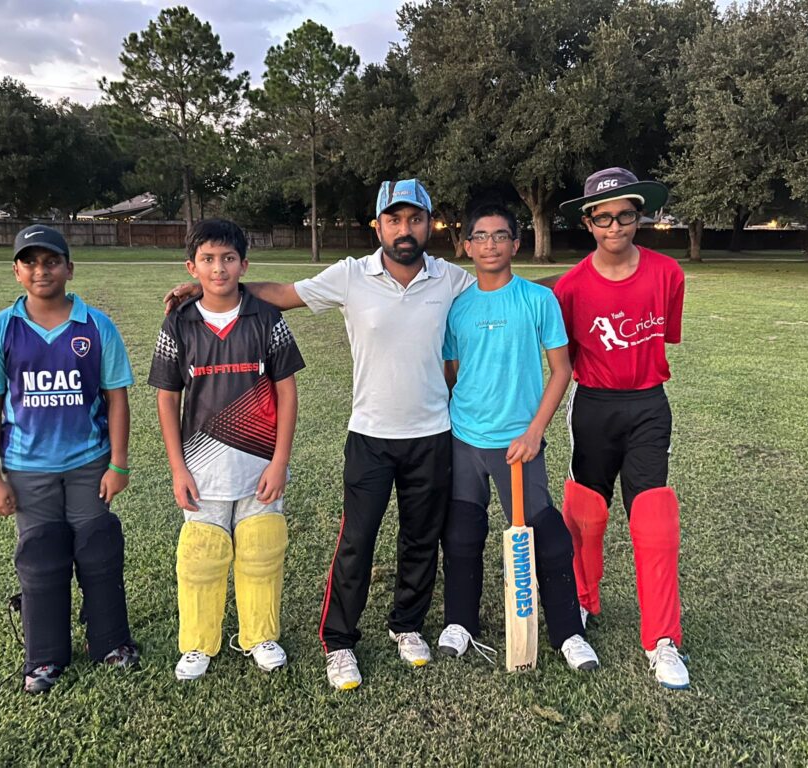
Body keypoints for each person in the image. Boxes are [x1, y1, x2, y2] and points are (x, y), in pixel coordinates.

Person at [164, 179, 475, 690]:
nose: (404, 229)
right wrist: (211, 287)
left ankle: (407, 625)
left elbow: (501, 291)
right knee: (357, 541)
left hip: (432, 433)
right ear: (378, 226)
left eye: (415, 219)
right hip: (370, 433)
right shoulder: (352, 275)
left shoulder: (450, 277)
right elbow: (284, 295)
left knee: (421, 538)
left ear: (429, 224)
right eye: (394, 220)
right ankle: (339, 640)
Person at [0, 224, 138, 694]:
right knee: (41, 556)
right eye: (30, 263)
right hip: (27, 468)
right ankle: (44, 657)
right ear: (16, 272)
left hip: (89, 462)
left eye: (51, 261)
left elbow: (117, 399)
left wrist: (118, 463)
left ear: (69, 268)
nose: (41, 271)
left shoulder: (96, 326)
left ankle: (110, 642)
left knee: (98, 549)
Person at [438, 203, 599, 672]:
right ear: (467, 246)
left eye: (500, 236)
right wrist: (464, 417)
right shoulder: (458, 307)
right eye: (481, 236)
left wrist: (534, 432)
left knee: (547, 536)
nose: (490, 244)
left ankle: (568, 633)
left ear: (516, 243)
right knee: (462, 532)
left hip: (518, 444)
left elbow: (561, 370)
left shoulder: (537, 300)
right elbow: (452, 372)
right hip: (465, 440)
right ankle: (460, 622)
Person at [149, 219, 305, 681]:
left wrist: (280, 461)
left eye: (228, 259)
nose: (219, 268)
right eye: (208, 259)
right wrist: (178, 468)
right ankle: (198, 644)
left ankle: (261, 636)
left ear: (244, 265)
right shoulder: (179, 323)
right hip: (201, 468)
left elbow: (287, 392)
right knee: (201, 556)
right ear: (192, 267)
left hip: (260, 464)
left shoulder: (266, 318)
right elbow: (166, 398)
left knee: (262, 549)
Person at [554, 167, 690, 689]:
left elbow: (665, 336)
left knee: (655, 519)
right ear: (588, 223)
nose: (616, 227)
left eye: (626, 216)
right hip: (593, 405)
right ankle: (582, 600)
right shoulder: (569, 288)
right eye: (604, 218)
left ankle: (662, 640)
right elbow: (565, 359)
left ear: (640, 217)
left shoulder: (668, 274)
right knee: (585, 513)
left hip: (649, 405)